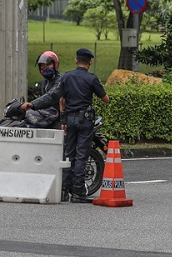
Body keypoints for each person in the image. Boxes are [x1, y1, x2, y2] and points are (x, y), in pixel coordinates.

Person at [57, 48, 109, 202]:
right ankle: (78, 192)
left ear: (76, 60)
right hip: (85, 121)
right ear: (90, 62)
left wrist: (63, 119)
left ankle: (64, 191)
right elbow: (105, 99)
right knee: (81, 155)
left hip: (69, 120)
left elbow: (61, 100)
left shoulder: (67, 77)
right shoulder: (91, 79)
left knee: (68, 154)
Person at [21, 51, 64, 128]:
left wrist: (32, 104)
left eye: (48, 65)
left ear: (55, 65)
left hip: (58, 117)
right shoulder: (43, 82)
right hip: (47, 115)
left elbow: (51, 96)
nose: (45, 67)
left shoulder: (61, 81)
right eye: (42, 66)